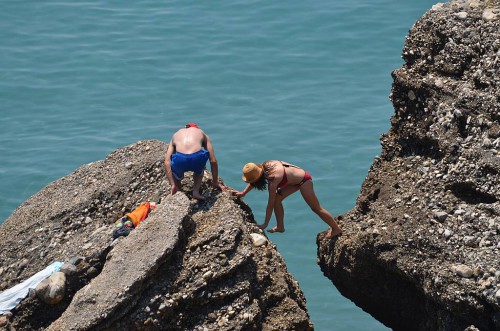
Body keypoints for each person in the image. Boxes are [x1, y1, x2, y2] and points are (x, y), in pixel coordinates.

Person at [231, 161, 342, 239]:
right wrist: (243, 193)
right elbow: (254, 181)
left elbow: (269, 205)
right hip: (292, 180)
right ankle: (280, 227)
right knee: (277, 201)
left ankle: (336, 229)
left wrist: (265, 223)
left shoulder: (273, 182)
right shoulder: (266, 165)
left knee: (316, 208)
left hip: (304, 181)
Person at [164, 123, 224, 199]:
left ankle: (177, 190)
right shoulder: (202, 133)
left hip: (180, 159)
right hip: (196, 159)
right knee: (200, 171)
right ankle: (195, 192)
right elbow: (213, 160)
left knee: (175, 174)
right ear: (196, 128)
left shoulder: (176, 134)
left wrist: (172, 184)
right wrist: (215, 182)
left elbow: (166, 162)